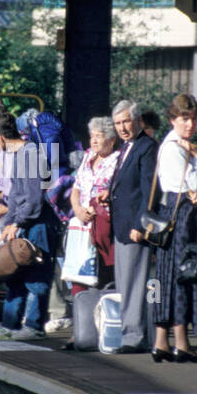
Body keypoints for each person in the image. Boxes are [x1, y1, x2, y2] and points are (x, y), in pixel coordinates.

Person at [0, 113, 58, 340]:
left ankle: (34, 326)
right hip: (24, 223)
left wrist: (17, 222)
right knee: (14, 274)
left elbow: (34, 198)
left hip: (38, 224)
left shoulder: (30, 154)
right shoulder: (20, 155)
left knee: (36, 277)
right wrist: (9, 221)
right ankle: (10, 324)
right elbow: (16, 194)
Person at [149, 94, 197, 363]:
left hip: (171, 214)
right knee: (182, 274)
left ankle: (164, 341)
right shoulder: (176, 147)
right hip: (181, 215)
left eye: (194, 118)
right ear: (172, 120)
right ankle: (179, 342)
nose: (190, 124)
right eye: (184, 118)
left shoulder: (176, 145)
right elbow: (194, 185)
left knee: (169, 275)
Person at [108, 100, 158, 353]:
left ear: (138, 120)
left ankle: (134, 336)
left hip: (134, 227)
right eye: (118, 123)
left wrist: (141, 222)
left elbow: (150, 189)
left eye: (126, 121)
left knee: (135, 283)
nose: (122, 127)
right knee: (125, 283)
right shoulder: (126, 147)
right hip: (121, 224)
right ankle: (131, 332)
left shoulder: (147, 147)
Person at [68, 116, 119, 293]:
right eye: (92, 136)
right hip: (81, 225)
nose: (94, 140)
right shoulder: (88, 155)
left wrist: (95, 208)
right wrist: (78, 210)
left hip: (103, 228)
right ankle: (80, 312)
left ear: (112, 140)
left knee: (102, 275)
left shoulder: (118, 160)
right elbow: (76, 189)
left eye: (100, 135)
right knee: (79, 273)